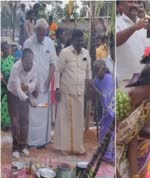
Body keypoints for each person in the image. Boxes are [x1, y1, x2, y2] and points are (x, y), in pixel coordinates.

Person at [54, 29, 91, 155]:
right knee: (65, 120)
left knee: (78, 121)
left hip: (80, 92)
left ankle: (77, 148)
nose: (81, 43)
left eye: (82, 41)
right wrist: (57, 89)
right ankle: (64, 148)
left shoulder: (86, 53)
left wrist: (89, 88)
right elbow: (57, 71)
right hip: (66, 92)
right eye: (78, 41)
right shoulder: (65, 52)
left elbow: (88, 73)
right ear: (73, 40)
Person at [116, 1, 150, 89]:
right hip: (125, 79)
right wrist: (134, 27)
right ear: (120, 6)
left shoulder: (148, 22)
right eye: (130, 2)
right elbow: (116, 40)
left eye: (136, 2)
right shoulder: (117, 22)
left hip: (144, 78)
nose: (135, 5)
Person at [24, 18, 56, 148]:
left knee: (44, 111)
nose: (42, 37)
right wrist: (33, 85)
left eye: (44, 34)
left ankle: (44, 140)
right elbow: (25, 65)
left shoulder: (49, 43)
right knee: (32, 114)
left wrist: (48, 80)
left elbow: (53, 64)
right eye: (40, 34)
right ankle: (31, 142)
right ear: (36, 30)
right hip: (32, 85)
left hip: (45, 85)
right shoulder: (28, 43)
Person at [7, 48, 38, 159]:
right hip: (13, 94)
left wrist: (29, 87)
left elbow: (35, 80)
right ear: (21, 60)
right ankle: (15, 148)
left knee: (25, 121)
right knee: (15, 122)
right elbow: (18, 90)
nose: (29, 66)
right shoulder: (16, 67)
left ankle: (22, 146)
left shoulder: (34, 65)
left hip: (25, 93)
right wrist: (29, 100)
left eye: (31, 62)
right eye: (26, 63)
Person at [91, 60, 115, 163]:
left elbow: (106, 97)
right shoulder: (97, 79)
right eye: (95, 71)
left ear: (104, 69)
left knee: (108, 132)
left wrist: (93, 89)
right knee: (103, 132)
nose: (97, 73)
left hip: (111, 110)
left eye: (99, 70)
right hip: (105, 111)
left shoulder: (109, 79)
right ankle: (106, 153)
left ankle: (109, 155)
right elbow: (92, 91)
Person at [1, 42, 15, 130]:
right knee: (4, 103)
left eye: (8, 48)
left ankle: (10, 122)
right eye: (5, 49)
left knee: (12, 104)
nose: (7, 50)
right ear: (1, 50)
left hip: (12, 84)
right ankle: (4, 123)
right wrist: (7, 86)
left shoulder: (13, 59)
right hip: (3, 85)